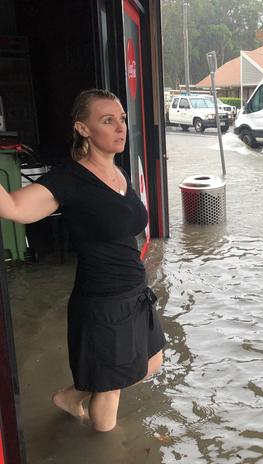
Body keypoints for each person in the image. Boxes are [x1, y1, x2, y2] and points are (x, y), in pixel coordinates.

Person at [0, 89, 165, 432]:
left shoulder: (118, 172)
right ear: (83, 129)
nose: (120, 127)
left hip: (134, 292)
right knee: (111, 388)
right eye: (107, 121)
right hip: (102, 301)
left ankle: (72, 395)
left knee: (151, 361)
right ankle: (110, 461)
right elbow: (14, 209)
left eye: (121, 118)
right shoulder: (69, 179)